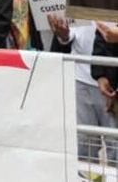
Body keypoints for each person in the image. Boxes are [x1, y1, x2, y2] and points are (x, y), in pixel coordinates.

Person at [49, 15, 117, 165]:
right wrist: (63, 35)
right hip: (81, 79)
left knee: (115, 146)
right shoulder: (78, 4)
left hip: (113, 81)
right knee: (84, 146)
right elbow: (68, 36)